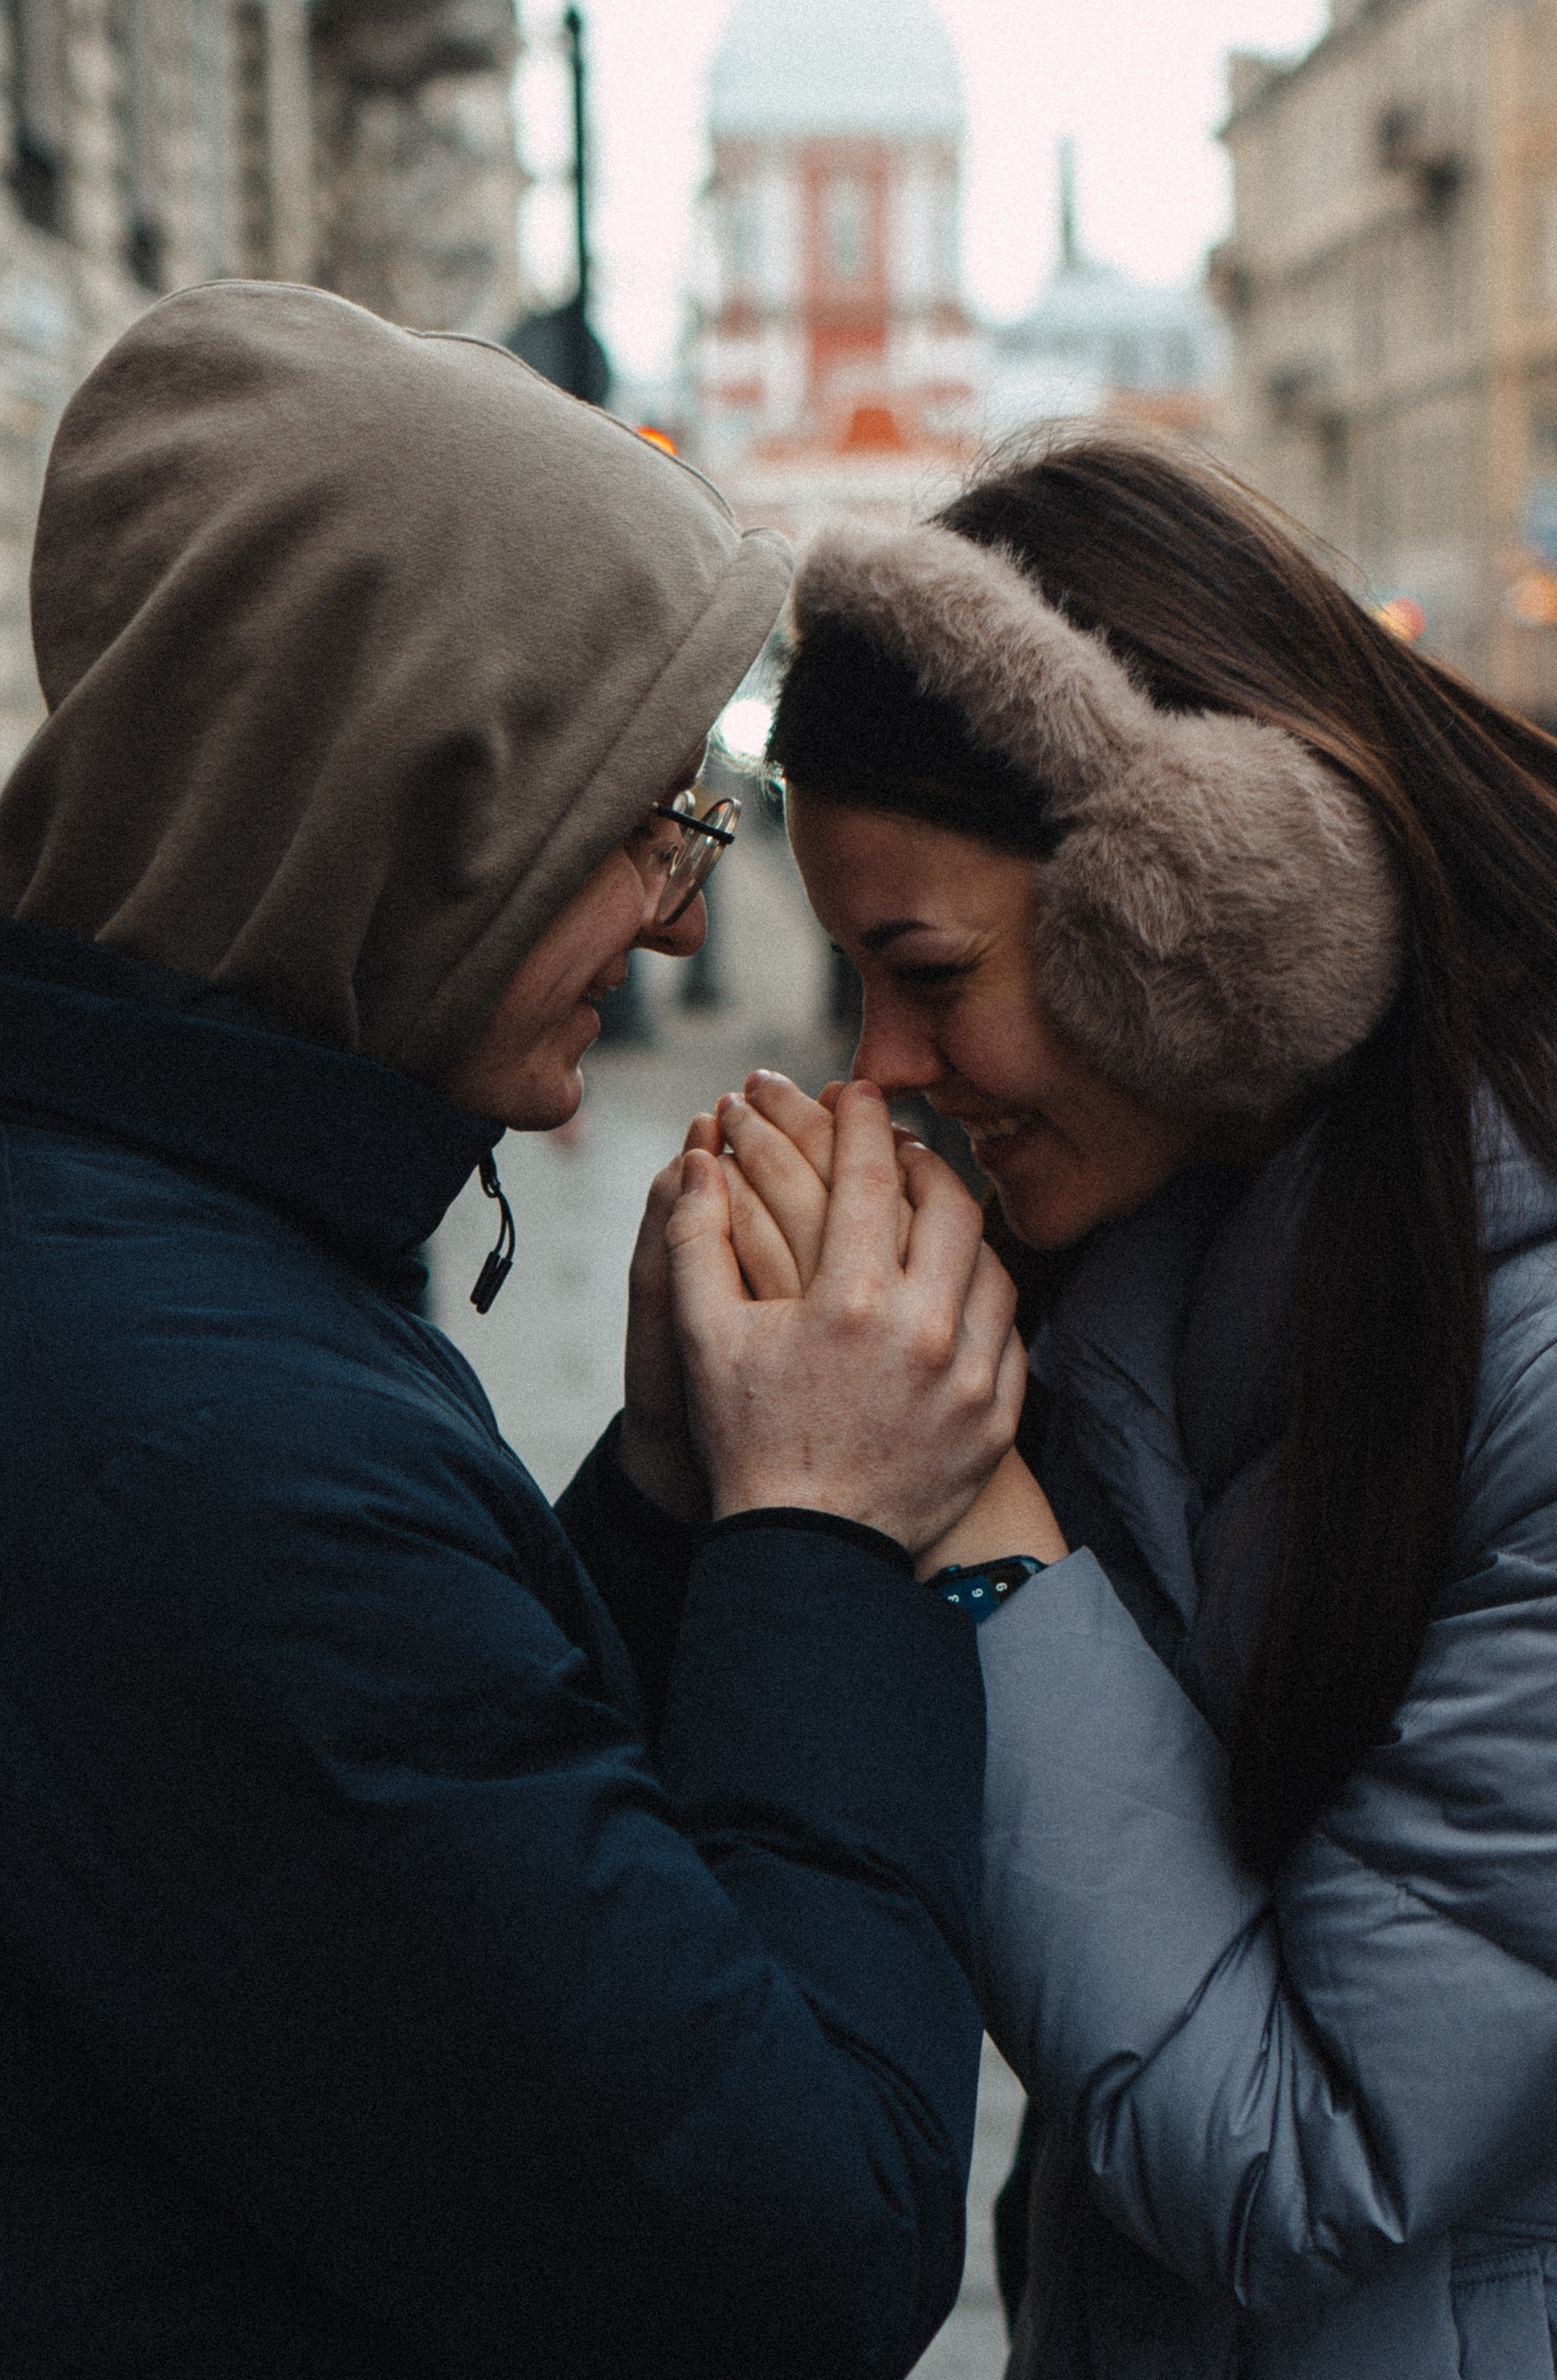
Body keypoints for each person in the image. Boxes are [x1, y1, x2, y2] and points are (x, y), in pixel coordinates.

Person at [711, 428, 1557, 2378]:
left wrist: (968, 1512)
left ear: (1208, 905)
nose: (880, 1072)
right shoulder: (1213, 1202)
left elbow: (1293, 2161)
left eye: (921, 975)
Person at [0, 281, 1027, 2380]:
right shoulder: (214, 1449)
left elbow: (456, 1906)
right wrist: (827, 1532)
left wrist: (655, 1499)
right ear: (423, 818)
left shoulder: (165, 1238)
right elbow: (790, 2252)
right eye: (638, 824)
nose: (676, 915)